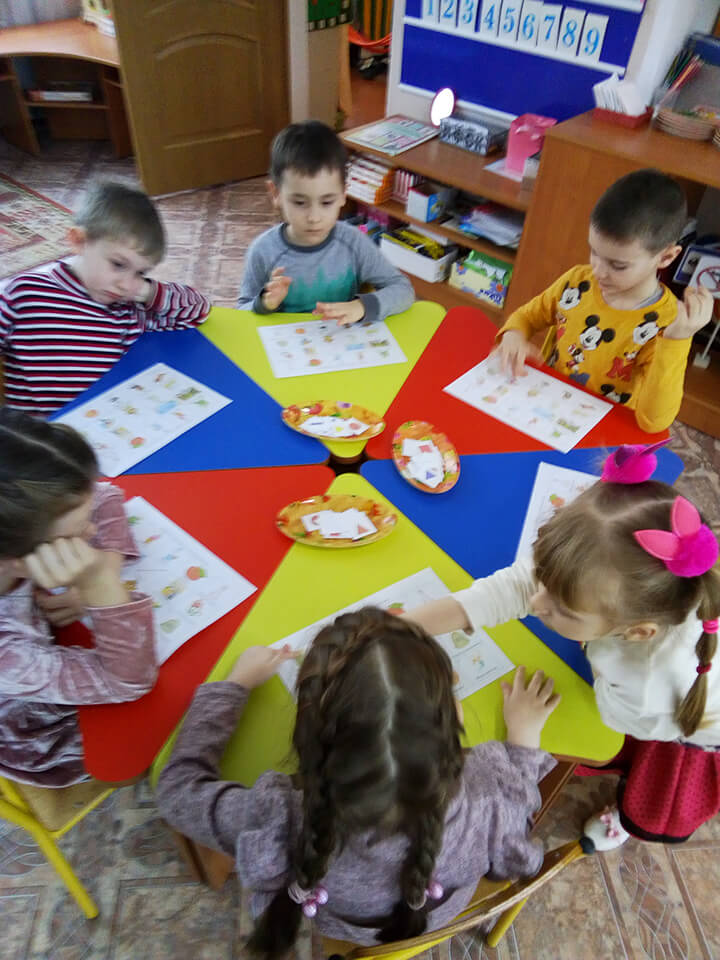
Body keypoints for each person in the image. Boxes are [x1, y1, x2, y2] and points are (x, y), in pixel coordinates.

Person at [156, 607, 560, 954]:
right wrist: (523, 739)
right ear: (453, 716)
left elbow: (176, 792)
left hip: (347, 929)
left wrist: (234, 686)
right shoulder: (489, 797)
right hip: (444, 913)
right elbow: (514, 848)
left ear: (309, 737)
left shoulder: (277, 820)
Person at [404, 443, 720, 850]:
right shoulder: (610, 567)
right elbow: (518, 587)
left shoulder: (643, 687)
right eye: (545, 584)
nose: (536, 604)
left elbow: (614, 720)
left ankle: (627, 814)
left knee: (655, 775)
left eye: (562, 609)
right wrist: (408, 625)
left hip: (679, 720)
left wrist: (589, 672)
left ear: (636, 632)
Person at [0, 408, 158, 786]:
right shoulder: (7, 653)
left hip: (56, 644)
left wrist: (109, 565)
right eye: (75, 534)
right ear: (14, 559)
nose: (91, 532)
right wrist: (97, 582)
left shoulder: (26, 514)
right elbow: (129, 681)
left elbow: (106, 496)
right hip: (44, 733)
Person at [494, 169, 714, 432]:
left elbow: (654, 422)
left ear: (666, 257)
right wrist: (514, 334)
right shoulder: (578, 280)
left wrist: (678, 341)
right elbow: (528, 316)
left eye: (618, 265)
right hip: (545, 406)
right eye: (594, 252)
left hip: (602, 430)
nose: (598, 271)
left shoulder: (668, 324)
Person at [0, 180, 211, 416]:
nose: (125, 284)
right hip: (35, 435)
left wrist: (147, 291)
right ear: (79, 241)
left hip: (106, 426)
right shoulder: (24, 293)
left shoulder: (127, 308)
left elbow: (197, 310)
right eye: (118, 264)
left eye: (140, 273)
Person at [237, 121, 414, 326]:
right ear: (276, 194)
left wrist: (362, 306)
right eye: (300, 203)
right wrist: (264, 303)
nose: (314, 217)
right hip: (282, 341)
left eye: (327, 202)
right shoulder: (263, 250)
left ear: (343, 194)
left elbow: (403, 290)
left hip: (342, 340)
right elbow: (241, 311)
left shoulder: (355, 243)